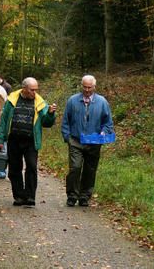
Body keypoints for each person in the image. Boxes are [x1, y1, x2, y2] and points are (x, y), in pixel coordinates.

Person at [0, 77, 56, 206]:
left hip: (31, 141)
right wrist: (0, 139)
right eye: (32, 90)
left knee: (31, 167)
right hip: (14, 139)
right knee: (14, 168)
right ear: (24, 89)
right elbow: (4, 120)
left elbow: (46, 123)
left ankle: (30, 196)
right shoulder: (12, 100)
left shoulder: (40, 102)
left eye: (36, 90)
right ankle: (19, 196)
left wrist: (50, 114)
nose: (34, 92)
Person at [61, 74, 114, 207]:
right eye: (84, 87)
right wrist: (67, 137)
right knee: (75, 168)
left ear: (94, 87)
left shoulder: (102, 102)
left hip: (94, 142)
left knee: (90, 170)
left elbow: (108, 123)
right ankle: (72, 195)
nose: (87, 90)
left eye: (90, 87)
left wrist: (104, 133)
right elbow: (65, 121)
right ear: (81, 86)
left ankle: (84, 196)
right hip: (75, 141)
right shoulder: (72, 100)